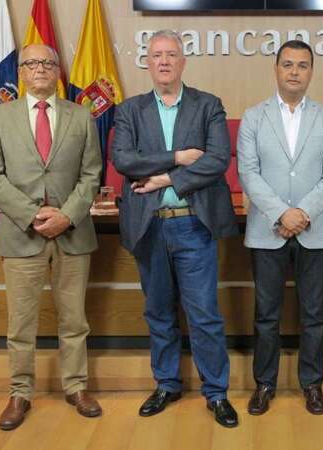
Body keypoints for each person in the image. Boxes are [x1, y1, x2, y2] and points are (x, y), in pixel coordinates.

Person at [111, 30, 239, 428]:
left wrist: (166, 179)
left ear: (183, 62)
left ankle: (216, 393)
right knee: (159, 312)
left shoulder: (208, 106)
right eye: (156, 56)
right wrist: (179, 158)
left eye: (171, 55)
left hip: (192, 226)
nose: (164, 62)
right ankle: (167, 384)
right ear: (146, 63)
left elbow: (217, 159)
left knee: (204, 315)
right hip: (149, 228)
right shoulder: (130, 110)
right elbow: (124, 160)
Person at [0, 44, 103, 431]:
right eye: (32, 63)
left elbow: (91, 176)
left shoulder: (82, 116)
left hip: (72, 233)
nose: (40, 69)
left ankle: (76, 387)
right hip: (21, 234)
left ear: (57, 71)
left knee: (74, 320)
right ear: (20, 71)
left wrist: (66, 216)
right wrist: (33, 214)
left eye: (48, 63)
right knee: (21, 322)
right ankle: (20, 393)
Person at [237, 40, 323, 416]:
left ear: (311, 71)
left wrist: (302, 213)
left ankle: (312, 384)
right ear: (276, 70)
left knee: (314, 313)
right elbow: (248, 172)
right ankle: (264, 384)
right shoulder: (254, 117)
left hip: (313, 231)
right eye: (288, 64)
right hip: (267, 231)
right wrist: (282, 214)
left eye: (302, 65)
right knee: (267, 314)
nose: (295, 71)